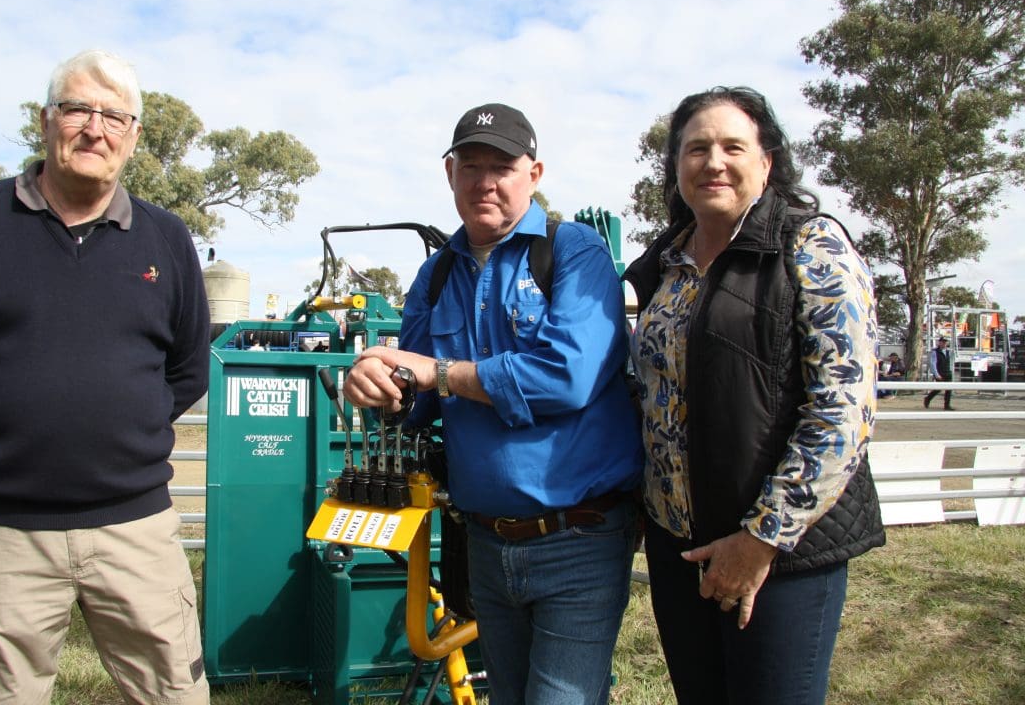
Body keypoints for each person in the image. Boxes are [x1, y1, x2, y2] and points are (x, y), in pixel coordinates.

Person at [0, 50, 211, 704]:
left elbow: (187, 368)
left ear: (135, 135)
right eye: (79, 109)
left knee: (174, 694)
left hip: (135, 530)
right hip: (2, 531)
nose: (96, 129)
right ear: (46, 121)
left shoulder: (166, 239)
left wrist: (117, 430)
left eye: (115, 115)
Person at [342, 103, 644, 704]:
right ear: (449, 173)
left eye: (502, 166)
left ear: (534, 174)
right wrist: (382, 387)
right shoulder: (434, 275)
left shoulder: (574, 253)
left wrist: (442, 373)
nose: (485, 180)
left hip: (578, 535)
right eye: (471, 165)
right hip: (485, 543)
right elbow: (421, 398)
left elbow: (566, 377)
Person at [622, 86, 885, 705]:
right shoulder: (665, 263)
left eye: (732, 146)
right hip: (677, 547)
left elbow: (843, 408)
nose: (713, 161)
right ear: (676, 168)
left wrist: (761, 537)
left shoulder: (811, 245)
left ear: (766, 162)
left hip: (780, 554)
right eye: (695, 149)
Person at [924, 336, 955, 410]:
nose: (944, 343)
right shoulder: (935, 352)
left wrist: (951, 372)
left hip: (947, 372)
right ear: (939, 342)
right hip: (940, 372)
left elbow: (951, 363)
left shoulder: (948, 352)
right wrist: (936, 374)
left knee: (949, 390)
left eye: (945, 342)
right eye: (943, 342)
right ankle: (928, 398)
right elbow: (933, 364)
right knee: (938, 388)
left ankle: (947, 405)